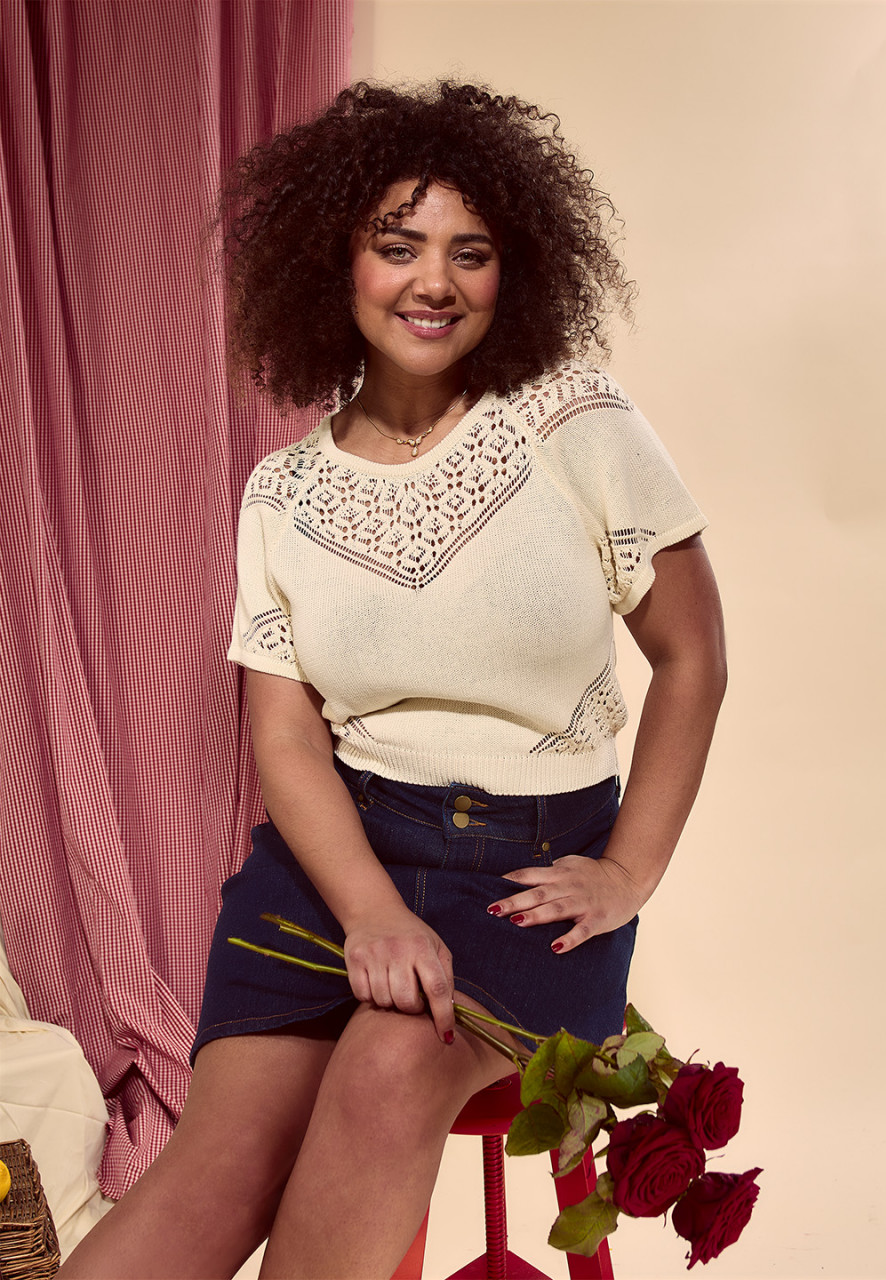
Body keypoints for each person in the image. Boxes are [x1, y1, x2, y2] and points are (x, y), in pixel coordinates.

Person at [61, 81, 726, 1280]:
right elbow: (284, 736)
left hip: (526, 878)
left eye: (471, 251)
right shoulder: (284, 492)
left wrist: (630, 870)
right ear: (337, 260)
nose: (435, 281)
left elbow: (692, 656)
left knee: (387, 1060)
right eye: (398, 244)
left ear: (515, 268)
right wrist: (370, 908)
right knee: (215, 1166)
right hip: (334, 861)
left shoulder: (575, 422)